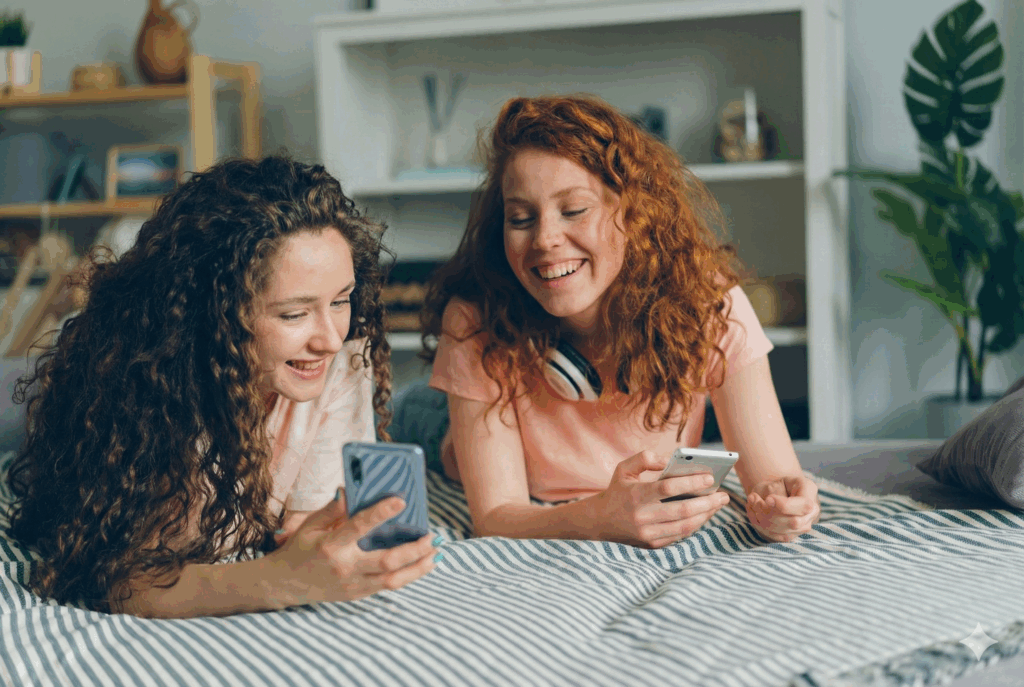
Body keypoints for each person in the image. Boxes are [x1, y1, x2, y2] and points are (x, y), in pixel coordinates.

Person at [5, 156, 440, 617]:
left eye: (341, 300)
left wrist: (324, 548)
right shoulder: (158, 392)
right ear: (214, 315)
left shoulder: (341, 360)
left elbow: (301, 527)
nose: (330, 339)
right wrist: (282, 579)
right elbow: (126, 581)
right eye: (293, 314)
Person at [418, 95, 820, 548]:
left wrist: (784, 505)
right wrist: (598, 517)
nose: (545, 239)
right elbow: (495, 516)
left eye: (574, 210)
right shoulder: (474, 319)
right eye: (521, 217)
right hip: (439, 427)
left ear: (633, 213)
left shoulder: (709, 302)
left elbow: (775, 478)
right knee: (415, 423)